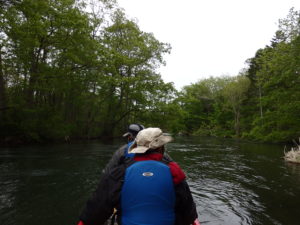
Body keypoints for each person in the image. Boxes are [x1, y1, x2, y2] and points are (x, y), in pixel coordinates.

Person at [78, 127, 200, 225]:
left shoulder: (119, 173)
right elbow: (188, 213)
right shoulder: (174, 171)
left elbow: (95, 212)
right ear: (161, 148)